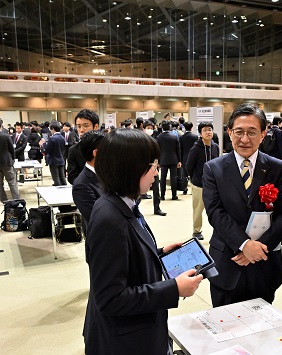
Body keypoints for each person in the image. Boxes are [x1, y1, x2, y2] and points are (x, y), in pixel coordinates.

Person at [82, 129, 203, 355]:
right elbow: (111, 299)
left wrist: (157, 253)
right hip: (124, 341)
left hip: (137, 331)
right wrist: (174, 288)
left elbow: (125, 258)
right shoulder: (110, 218)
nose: (156, 173)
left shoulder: (122, 203)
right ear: (132, 167)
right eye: (153, 166)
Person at [203, 103, 282, 307]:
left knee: (263, 328)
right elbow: (215, 213)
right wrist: (244, 245)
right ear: (229, 132)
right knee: (224, 326)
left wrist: (258, 249)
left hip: (265, 262)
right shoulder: (213, 169)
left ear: (263, 134)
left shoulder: (277, 168)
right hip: (228, 261)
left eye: (252, 132)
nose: (244, 139)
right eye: (239, 132)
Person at [185, 122, 220, 241]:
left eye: (210, 129)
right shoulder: (195, 149)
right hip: (199, 185)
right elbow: (189, 166)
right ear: (200, 134)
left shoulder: (215, 146)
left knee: (216, 209)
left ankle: (219, 230)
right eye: (205, 130)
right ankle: (196, 231)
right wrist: (195, 178)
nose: (208, 132)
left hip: (214, 185)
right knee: (198, 209)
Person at [72, 131, 105, 236]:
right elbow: (97, 219)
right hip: (103, 239)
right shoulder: (82, 185)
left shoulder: (110, 173)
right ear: (96, 153)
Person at [67, 109, 99, 184]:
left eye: (86, 126)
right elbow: (72, 177)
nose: (81, 130)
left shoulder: (108, 146)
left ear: (96, 127)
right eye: (78, 126)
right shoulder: (74, 150)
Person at [144, 121, 166, 216]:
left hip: (153, 167)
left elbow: (158, 154)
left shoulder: (155, 140)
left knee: (156, 189)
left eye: (151, 128)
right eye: (147, 127)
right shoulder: (139, 140)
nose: (149, 129)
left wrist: (157, 165)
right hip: (142, 167)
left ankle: (157, 208)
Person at [156, 120, 181, 200]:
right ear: (169, 127)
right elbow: (178, 149)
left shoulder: (159, 137)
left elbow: (158, 150)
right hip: (174, 159)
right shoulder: (174, 136)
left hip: (163, 160)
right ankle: (174, 195)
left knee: (163, 178)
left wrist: (158, 161)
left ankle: (162, 195)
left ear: (162, 127)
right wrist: (179, 160)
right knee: (173, 178)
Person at [40, 121, 67, 186]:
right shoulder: (63, 138)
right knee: (62, 178)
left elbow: (47, 150)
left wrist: (43, 144)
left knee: (56, 178)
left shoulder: (52, 138)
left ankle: (57, 192)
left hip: (53, 160)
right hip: (61, 159)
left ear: (52, 128)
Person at [179, 121, 198, 195]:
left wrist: (180, 159)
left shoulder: (181, 137)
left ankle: (184, 188)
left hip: (184, 157)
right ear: (191, 127)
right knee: (193, 174)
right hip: (193, 157)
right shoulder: (195, 137)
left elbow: (180, 149)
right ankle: (193, 189)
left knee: (184, 174)